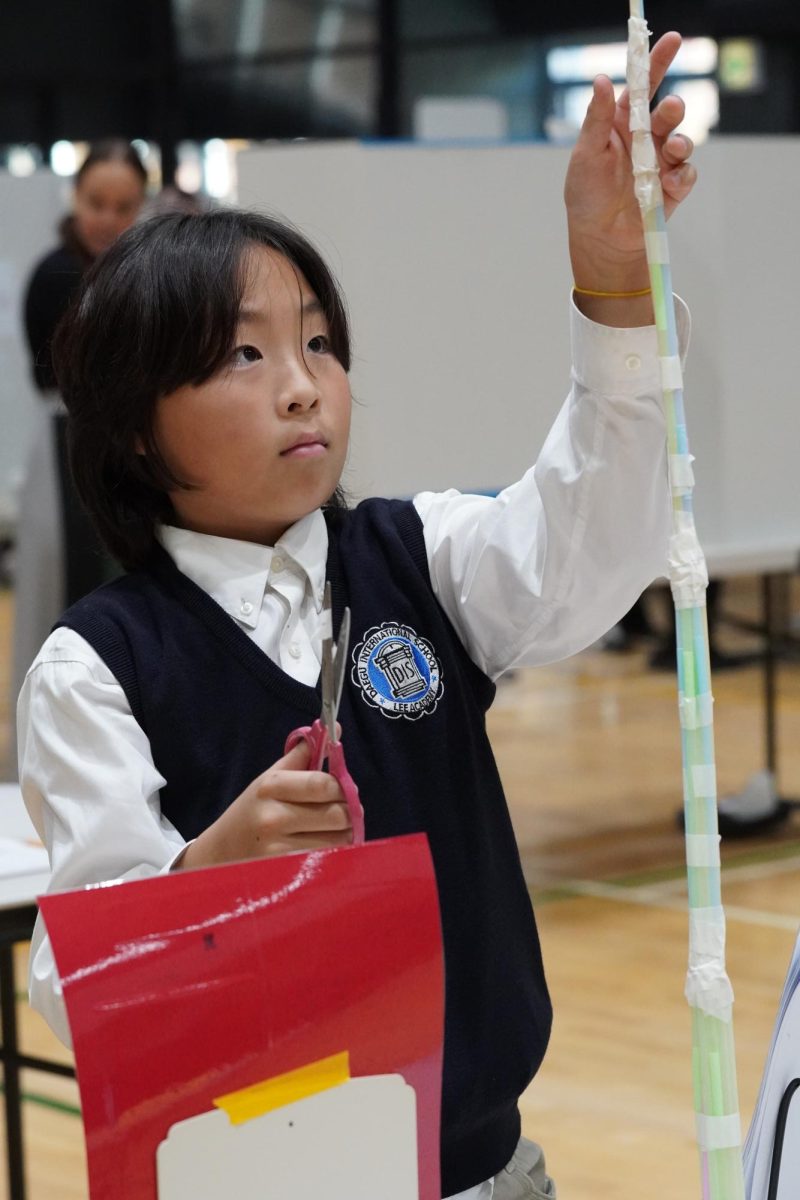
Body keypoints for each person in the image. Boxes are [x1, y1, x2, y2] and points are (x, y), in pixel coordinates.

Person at [17, 34, 696, 1200]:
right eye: (243, 352)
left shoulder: (413, 553)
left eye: (318, 343)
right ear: (134, 425)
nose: (302, 383)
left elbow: (594, 539)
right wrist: (212, 867)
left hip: (488, 1167)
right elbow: (75, 986)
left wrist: (613, 281)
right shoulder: (97, 667)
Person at [12, 140, 147, 714]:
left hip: (130, 455)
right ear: (75, 197)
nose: (108, 220)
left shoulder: (141, 272)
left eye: (123, 206)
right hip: (71, 449)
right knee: (62, 601)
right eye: (97, 202)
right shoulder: (56, 276)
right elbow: (58, 381)